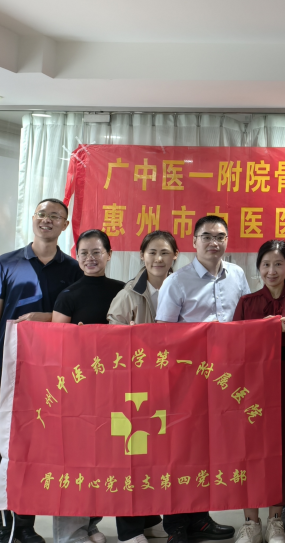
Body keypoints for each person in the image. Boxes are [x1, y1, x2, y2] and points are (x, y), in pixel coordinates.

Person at [0, 198, 83, 543]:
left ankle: (25, 524)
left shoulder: (74, 269)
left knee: (39, 450)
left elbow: (79, 320)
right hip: (6, 369)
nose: (47, 220)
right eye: (42, 214)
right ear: (33, 218)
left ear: (65, 225)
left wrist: (45, 318)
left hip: (53, 374)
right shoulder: (6, 263)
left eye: (56, 216)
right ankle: (1, 526)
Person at [156, 215, 247, 543]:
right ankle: (176, 526)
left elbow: (245, 320)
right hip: (186, 380)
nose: (214, 242)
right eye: (206, 236)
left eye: (220, 236)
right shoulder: (177, 282)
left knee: (209, 449)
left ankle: (201, 518)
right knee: (180, 450)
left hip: (225, 378)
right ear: (194, 241)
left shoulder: (237, 275)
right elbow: (163, 335)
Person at [49, 230, 127, 543]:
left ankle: (91, 524)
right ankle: (70, 532)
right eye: (84, 253)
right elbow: (56, 346)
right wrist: (78, 340)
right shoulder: (68, 295)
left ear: (109, 254)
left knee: (103, 459)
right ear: (77, 256)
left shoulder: (123, 290)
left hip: (114, 387)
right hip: (77, 389)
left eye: (97, 252)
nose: (90, 258)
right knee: (75, 459)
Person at [232, 241, 285, 543]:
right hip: (251, 383)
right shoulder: (247, 303)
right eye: (265, 264)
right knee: (249, 448)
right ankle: (250, 522)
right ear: (259, 268)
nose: (271, 270)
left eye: (278, 264)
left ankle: (276, 519)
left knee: (283, 447)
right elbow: (232, 348)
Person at [107, 230, 178, 543]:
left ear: (175, 256)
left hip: (172, 385)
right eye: (152, 252)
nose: (158, 259)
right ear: (141, 255)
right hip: (134, 388)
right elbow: (111, 340)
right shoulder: (128, 294)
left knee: (161, 457)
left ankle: (151, 520)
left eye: (165, 253)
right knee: (132, 456)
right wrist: (132, 337)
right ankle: (130, 529)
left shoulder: (182, 287)